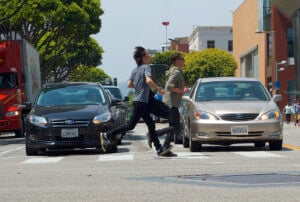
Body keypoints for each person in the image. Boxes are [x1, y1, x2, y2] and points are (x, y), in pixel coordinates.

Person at [100, 46, 173, 156]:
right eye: (148, 54)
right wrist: (158, 90)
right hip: (141, 102)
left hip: (139, 101)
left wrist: (139, 87)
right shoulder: (146, 67)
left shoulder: (135, 70)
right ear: (143, 58)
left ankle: (159, 149)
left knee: (151, 125)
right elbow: (148, 80)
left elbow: (129, 84)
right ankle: (108, 134)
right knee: (130, 126)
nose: (150, 56)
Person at [162, 53, 188, 148]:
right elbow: (169, 86)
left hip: (172, 102)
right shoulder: (176, 72)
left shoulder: (175, 71)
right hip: (172, 103)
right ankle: (156, 134)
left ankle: (166, 144)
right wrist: (182, 91)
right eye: (182, 59)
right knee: (176, 125)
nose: (184, 60)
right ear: (177, 61)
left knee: (173, 125)